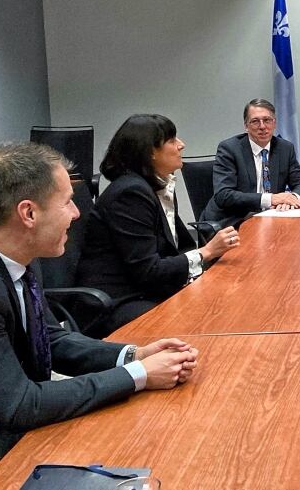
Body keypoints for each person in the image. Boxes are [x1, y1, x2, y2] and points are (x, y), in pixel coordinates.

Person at [0, 142, 200, 469]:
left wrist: (133, 354)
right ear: (28, 213)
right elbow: (20, 404)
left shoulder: (20, 257)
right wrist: (138, 375)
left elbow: (49, 338)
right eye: (68, 202)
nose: (76, 214)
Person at [77, 114, 239, 335]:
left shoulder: (158, 185)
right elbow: (148, 271)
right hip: (119, 302)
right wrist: (206, 252)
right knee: (205, 321)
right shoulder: (130, 193)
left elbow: (179, 247)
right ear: (150, 152)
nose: (182, 145)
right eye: (172, 140)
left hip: (148, 290)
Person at [200, 99, 300, 227]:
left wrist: (292, 198)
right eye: (255, 121)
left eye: (267, 120)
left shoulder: (285, 148)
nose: (262, 126)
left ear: (274, 123)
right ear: (246, 126)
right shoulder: (230, 149)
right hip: (233, 221)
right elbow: (223, 195)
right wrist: (271, 199)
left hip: (270, 220)